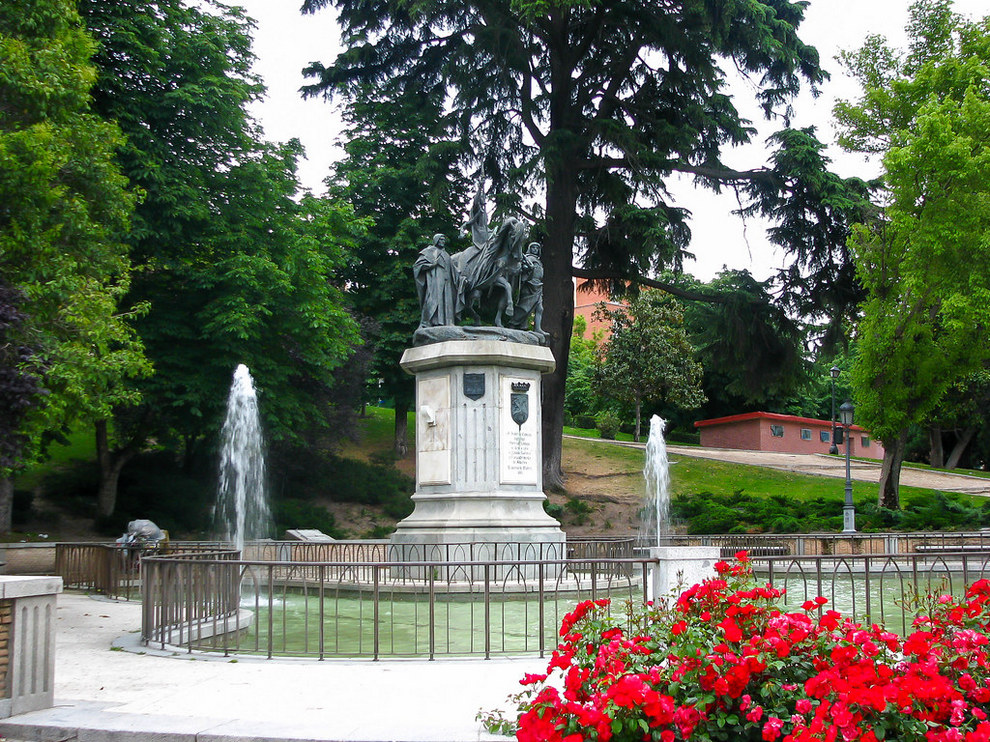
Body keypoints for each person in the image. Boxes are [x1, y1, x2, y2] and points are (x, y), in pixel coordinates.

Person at [413, 234, 458, 327]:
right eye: (441, 239)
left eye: (444, 239)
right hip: (435, 280)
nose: (443, 241)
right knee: (433, 300)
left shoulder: (446, 254)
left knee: (447, 300)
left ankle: (447, 322)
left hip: (447, 282)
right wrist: (431, 265)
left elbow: (454, 270)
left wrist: (461, 278)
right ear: (436, 240)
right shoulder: (429, 251)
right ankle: (429, 322)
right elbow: (417, 266)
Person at [510, 242, 544, 335]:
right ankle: (513, 323)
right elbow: (522, 270)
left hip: (538, 285)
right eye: (533, 247)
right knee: (524, 307)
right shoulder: (528, 258)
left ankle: (537, 328)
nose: (535, 249)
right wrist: (527, 268)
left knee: (540, 308)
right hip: (529, 285)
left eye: (537, 248)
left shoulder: (538, 260)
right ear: (530, 248)